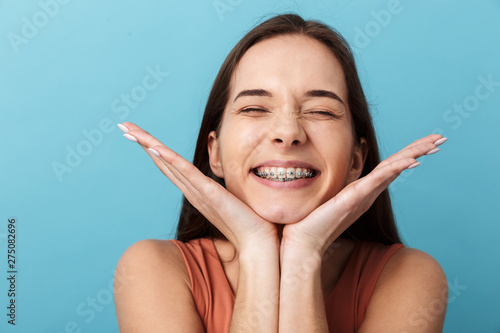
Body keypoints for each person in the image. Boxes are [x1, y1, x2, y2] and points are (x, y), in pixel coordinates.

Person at [113, 13, 448, 332]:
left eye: (320, 110)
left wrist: (304, 252)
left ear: (356, 161)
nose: (288, 133)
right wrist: (257, 250)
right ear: (214, 152)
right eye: (255, 108)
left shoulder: (409, 276)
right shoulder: (152, 269)